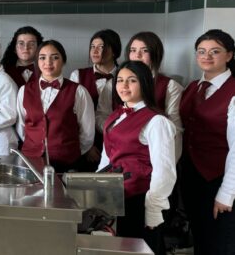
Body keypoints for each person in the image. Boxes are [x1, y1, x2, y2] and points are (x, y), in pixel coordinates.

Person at [98, 61, 176, 255]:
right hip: (118, 198)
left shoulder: (156, 121)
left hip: (141, 199)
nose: (124, 86)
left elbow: (164, 170)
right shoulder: (115, 116)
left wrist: (153, 210)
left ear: (144, 84)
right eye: (120, 80)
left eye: (131, 81)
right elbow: (106, 159)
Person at [180, 29, 235, 255]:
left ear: (229, 55)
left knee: (220, 244)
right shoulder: (193, 87)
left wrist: (226, 192)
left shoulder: (233, 92)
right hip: (193, 176)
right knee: (201, 237)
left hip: (220, 178)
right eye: (201, 51)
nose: (207, 56)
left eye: (215, 51)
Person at [17, 40, 95, 171]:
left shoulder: (79, 91)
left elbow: (87, 133)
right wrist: (34, 146)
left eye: (55, 57)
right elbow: (22, 127)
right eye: (42, 58)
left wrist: (69, 152)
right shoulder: (24, 90)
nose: (48, 62)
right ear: (37, 61)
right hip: (31, 161)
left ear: (63, 61)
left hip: (66, 164)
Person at [123, 31, 183, 158]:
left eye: (144, 50)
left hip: (154, 154)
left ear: (156, 54)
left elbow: (175, 129)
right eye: (133, 50)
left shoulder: (170, 86)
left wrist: (172, 162)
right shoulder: (117, 83)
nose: (137, 55)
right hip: (122, 151)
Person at [70, 29, 122, 168]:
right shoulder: (77, 75)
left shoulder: (126, 76)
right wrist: (87, 146)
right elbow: (72, 116)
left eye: (101, 47)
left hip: (118, 143)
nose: (95, 51)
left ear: (115, 51)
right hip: (86, 146)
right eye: (92, 47)